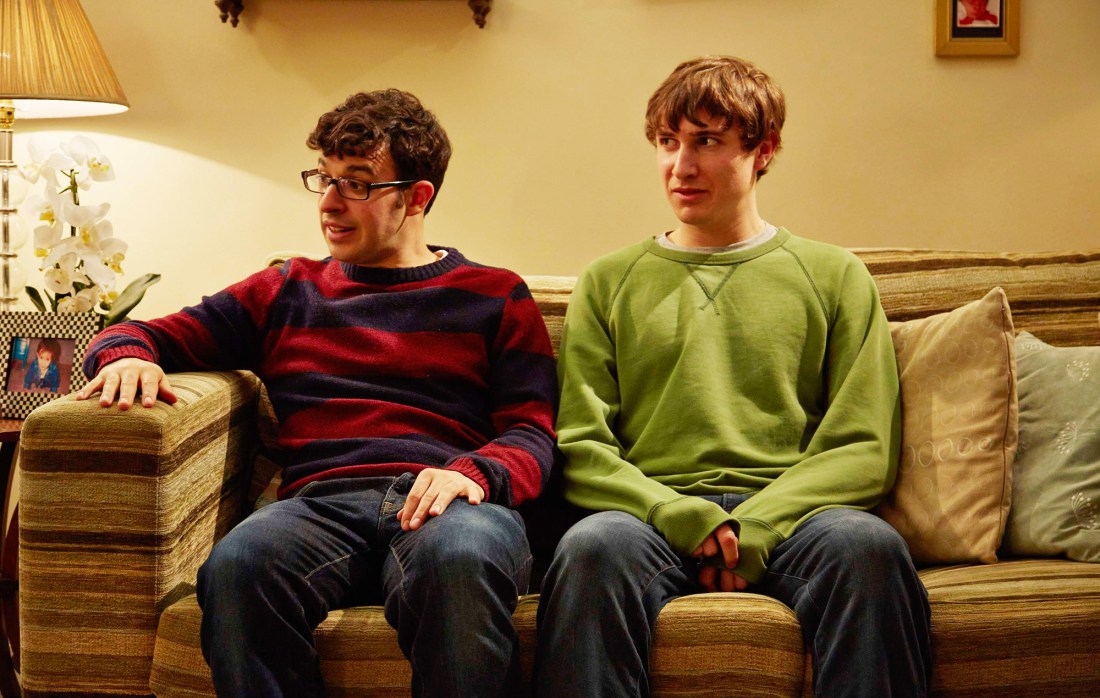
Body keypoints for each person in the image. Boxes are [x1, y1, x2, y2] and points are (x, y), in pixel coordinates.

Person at [76, 89, 558, 698]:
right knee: (238, 566)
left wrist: (474, 474)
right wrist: (126, 357)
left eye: (356, 183)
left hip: (450, 506)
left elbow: (532, 432)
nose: (329, 202)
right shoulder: (286, 289)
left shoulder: (494, 295)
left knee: (458, 561)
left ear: (417, 197)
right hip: (319, 507)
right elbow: (140, 332)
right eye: (324, 178)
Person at [533, 56, 931, 697]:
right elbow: (580, 446)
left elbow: (863, 445)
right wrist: (675, 513)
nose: (680, 166)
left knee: (869, 548)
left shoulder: (833, 276)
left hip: (798, 519)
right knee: (590, 547)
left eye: (707, 142)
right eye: (668, 142)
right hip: (650, 518)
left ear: (762, 150)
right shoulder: (607, 281)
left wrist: (759, 526)